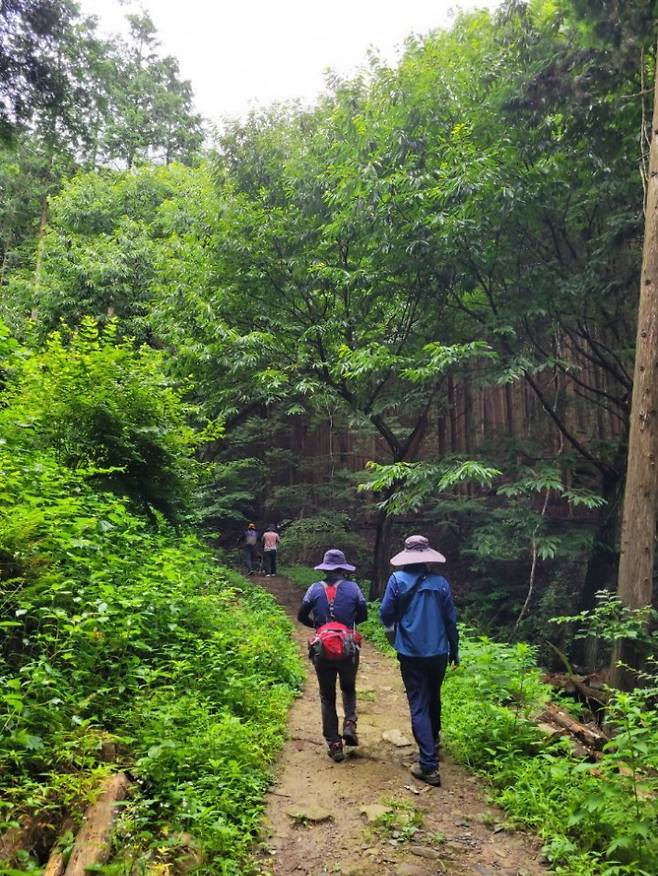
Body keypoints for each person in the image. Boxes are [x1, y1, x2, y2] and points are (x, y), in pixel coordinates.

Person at [379, 534, 459, 787]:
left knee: (419, 704)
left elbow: (385, 614)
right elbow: (450, 620)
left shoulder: (397, 580)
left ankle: (428, 765)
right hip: (438, 652)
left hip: (411, 652)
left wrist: (400, 623)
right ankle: (433, 742)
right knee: (434, 696)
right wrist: (455, 650)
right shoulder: (441, 583)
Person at [297, 548, 368, 762]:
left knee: (327, 696)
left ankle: (335, 745)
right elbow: (363, 615)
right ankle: (350, 724)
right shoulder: (354, 588)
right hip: (348, 648)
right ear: (343, 568)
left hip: (322, 648)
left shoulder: (313, 589)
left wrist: (318, 628)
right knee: (348, 688)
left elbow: (301, 615)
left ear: (326, 568)